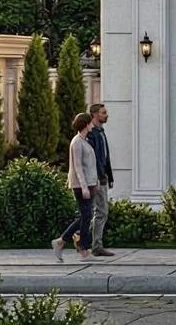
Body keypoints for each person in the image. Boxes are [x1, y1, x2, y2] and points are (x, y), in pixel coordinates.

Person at [51, 112, 98, 261]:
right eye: (90, 123)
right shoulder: (77, 142)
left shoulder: (85, 141)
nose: (92, 125)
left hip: (89, 184)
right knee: (86, 215)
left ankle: (61, 241)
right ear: (85, 124)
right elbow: (77, 166)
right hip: (80, 186)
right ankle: (82, 249)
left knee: (86, 216)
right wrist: (84, 187)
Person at [86, 102, 116, 256]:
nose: (106, 115)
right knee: (101, 211)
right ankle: (96, 245)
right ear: (95, 115)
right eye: (103, 113)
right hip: (97, 178)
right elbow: (94, 160)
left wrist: (110, 176)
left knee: (98, 211)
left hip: (102, 177)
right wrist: (99, 177)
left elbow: (106, 157)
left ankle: (84, 240)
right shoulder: (92, 135)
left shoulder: (101, 132)